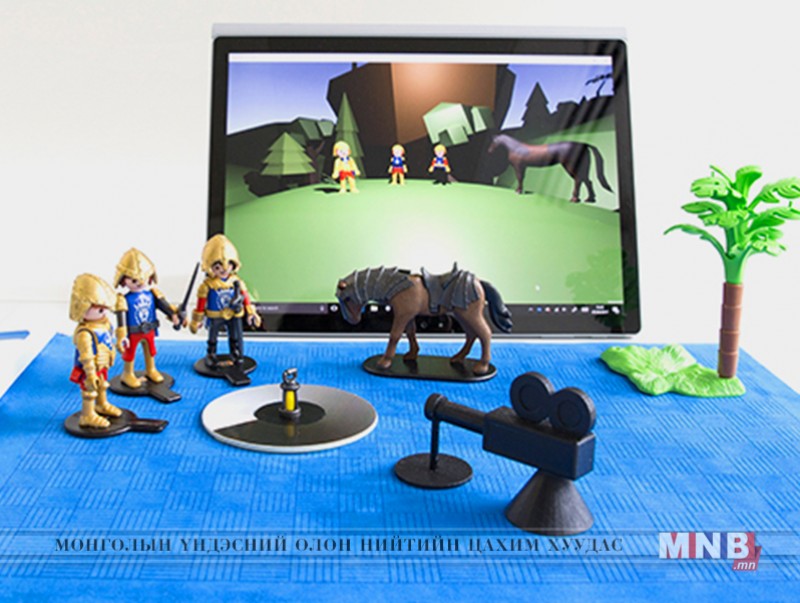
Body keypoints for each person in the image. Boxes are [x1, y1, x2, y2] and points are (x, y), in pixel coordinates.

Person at [114, 248, 182, 389]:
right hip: (132, 332)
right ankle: (128, 373)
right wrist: (121, 336)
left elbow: (164, 306)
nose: (139, 282)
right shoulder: (123, 299)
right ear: (123, 280)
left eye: (143, 278)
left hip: (149, 329)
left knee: (150, 350)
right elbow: (121, 319)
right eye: (134, 280)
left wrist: (173, 314)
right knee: (130, 353)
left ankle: (151, 369)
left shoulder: (152, 294)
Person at [190, 234, 261, 368]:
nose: (224, 269)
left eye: (229, 264)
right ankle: (211, 354)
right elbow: (201, 304)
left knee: (234, 336)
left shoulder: (237, 282)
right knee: (212, 337)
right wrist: (197, 320)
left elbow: (246, 298)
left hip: (234, 315)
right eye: (218, 267)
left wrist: (251, 313)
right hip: (215, 315)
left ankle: (235, 353)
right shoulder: (207, 285)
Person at [69, 273, 122, 429]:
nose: (103, 311)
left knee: (103, 385)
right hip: (89, 368)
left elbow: (108, 342)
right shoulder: (85, 333)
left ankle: (101, 404)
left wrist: (112, 355)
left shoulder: (105, 324)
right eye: (97, 307)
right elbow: (86, 355)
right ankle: (87, 415)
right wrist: (90, 373)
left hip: (102, 364)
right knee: (89, 390)